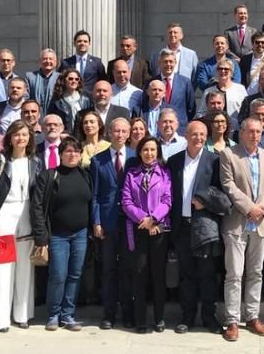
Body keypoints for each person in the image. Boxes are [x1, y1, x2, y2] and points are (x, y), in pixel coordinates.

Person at [219, 118, 264, 342]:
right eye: (250, 131)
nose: (254, 135)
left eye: (258, 132)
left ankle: (253, 316)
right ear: (241, 133)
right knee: (234, 274)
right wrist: (249, 208)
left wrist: (261, 208)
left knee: (256, 272)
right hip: (237, 222)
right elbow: (228, 185)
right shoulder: (229, 154)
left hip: (261, 222)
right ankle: (232, 320)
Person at [0, 120, 41, 332]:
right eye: (16, 134)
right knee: (1, 269)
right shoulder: (0, 160)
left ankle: (22, 314)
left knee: (25, 267)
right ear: (10, 138)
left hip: (27, 215)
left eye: (24, 134)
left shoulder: (34, 161)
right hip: (4, 214)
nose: (21, 138)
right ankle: (0, 319)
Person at [31, 136, 93, 332]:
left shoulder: (85, 176)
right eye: (68, 151)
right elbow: (37, 207)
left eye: (76, 151)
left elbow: (90, 203)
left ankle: (68, 314)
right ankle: (53, 314)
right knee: (58, 275)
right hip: (58, 235)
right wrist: (41, 236)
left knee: (75, 275)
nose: (72, 154)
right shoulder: (50, 176)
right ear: (60, 154)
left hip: (81, 234)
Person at [168, 121, 223, 334]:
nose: (198, 138)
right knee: (187, 275)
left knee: (208, 275)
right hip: (182, 226)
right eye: (194, 134)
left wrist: (205, 202)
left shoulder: (214, 161)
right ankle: (187, 317)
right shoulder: (174, 161)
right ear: (186, 135)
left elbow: (221, 194)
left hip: (205, 227)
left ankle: (210, 318)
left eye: (202, 134)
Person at [121, 136, 172, 333]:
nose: (149, 154)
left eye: (153, 150)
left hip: (159, 229)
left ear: (157, 152)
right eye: (145, 150)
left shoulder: (165, 173)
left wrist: (154, 218)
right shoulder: (131, 173)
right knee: (139, 275)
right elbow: (126, 201)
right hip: (138, 228)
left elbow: (167, 200)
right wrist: (143, 219)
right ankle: (140, 319)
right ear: (140, 152)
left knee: (158, 275)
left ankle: (159, 318)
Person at [90, 118, 135, 330]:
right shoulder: (98, 160)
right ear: (109, 132)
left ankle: (128, 312)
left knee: (128, 269)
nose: (119, 134)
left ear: (128, 134)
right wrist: (96, 221)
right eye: (116, 130)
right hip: (107, 222)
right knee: (108, 269)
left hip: (130, 222)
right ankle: (108, 314)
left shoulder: (136, 157)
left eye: (124, 131)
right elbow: (95, 195)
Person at [154, 49, 196, 131]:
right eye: (165, 61)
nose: (168, 64)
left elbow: (191, 108)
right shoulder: (152, 83)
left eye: (171, 61)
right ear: (159, 63)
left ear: (175, 63)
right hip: (158, 130)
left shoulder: (185, 82)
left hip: (180, 129)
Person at [47, 68, 92, 134]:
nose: (74, 81)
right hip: (64, 136)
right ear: (64, 80)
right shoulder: (57, 101)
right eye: (70, 79)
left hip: (82, 136)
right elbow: (51, 119)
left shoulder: (86, 100)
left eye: (77, 79)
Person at [60, 29, 104, 94]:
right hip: (71, 98)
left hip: (91, 99)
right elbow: (60, 81)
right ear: (74, 43)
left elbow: (103, 81)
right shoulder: (66, 63)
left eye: (85, 41)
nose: (82, 43)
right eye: (79, 41)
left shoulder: (97, 62)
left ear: (89, 44)